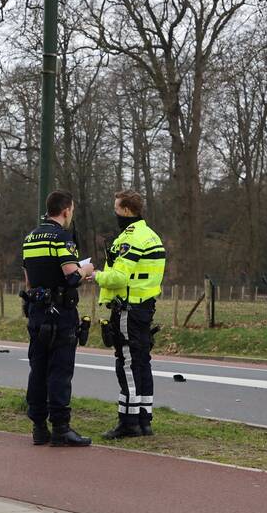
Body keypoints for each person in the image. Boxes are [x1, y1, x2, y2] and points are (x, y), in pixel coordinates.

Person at [21, 191, 95, 447]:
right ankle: (61, 430)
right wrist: (87, 269)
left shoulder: (30, 238)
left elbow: (28, 281)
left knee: (37, 369)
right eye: (71, 210)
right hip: (60, 314)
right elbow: (71, 277)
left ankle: (39, 428)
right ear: (65, 211)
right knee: (60, 371)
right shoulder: (62, 238)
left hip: (37, 313)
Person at [90, 190, 166, 439]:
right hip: (144, 306)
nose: (114, 213)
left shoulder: (130, 238)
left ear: (125, 210)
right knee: (142, 362)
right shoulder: (151, 235)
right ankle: (144, 420)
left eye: (116, 208)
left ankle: (129, 421)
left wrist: (95, 275)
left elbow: (119, 277)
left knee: (128, 365)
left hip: (128, 308)